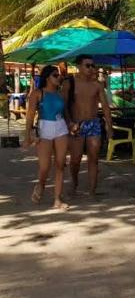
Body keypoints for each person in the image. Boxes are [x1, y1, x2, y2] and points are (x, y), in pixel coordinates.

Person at [24, 65, 71, 208]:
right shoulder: (37, 93)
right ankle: (41, 184)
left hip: (61, 128)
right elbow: (30, 116)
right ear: (47, 78)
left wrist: (71, 124)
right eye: (55, 75)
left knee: (60, 165)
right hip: (45, 129)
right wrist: (28, 135)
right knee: (45, 167)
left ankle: (57, 199)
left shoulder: (61, 93)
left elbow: (66, 113)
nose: (59, 78)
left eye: (59, 76)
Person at [67, 55, 112, 197]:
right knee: (76, 159)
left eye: (93, 65)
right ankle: (74, 183)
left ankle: (92, 190)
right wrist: (69, 123)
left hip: (93, 123)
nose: (91, 68)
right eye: (88, 65)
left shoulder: (97, 85)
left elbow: (105, 107)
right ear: (79, 66)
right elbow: (63, 105)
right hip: (76, 124)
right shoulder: (70, 83)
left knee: (94, 158)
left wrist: (109, 127)